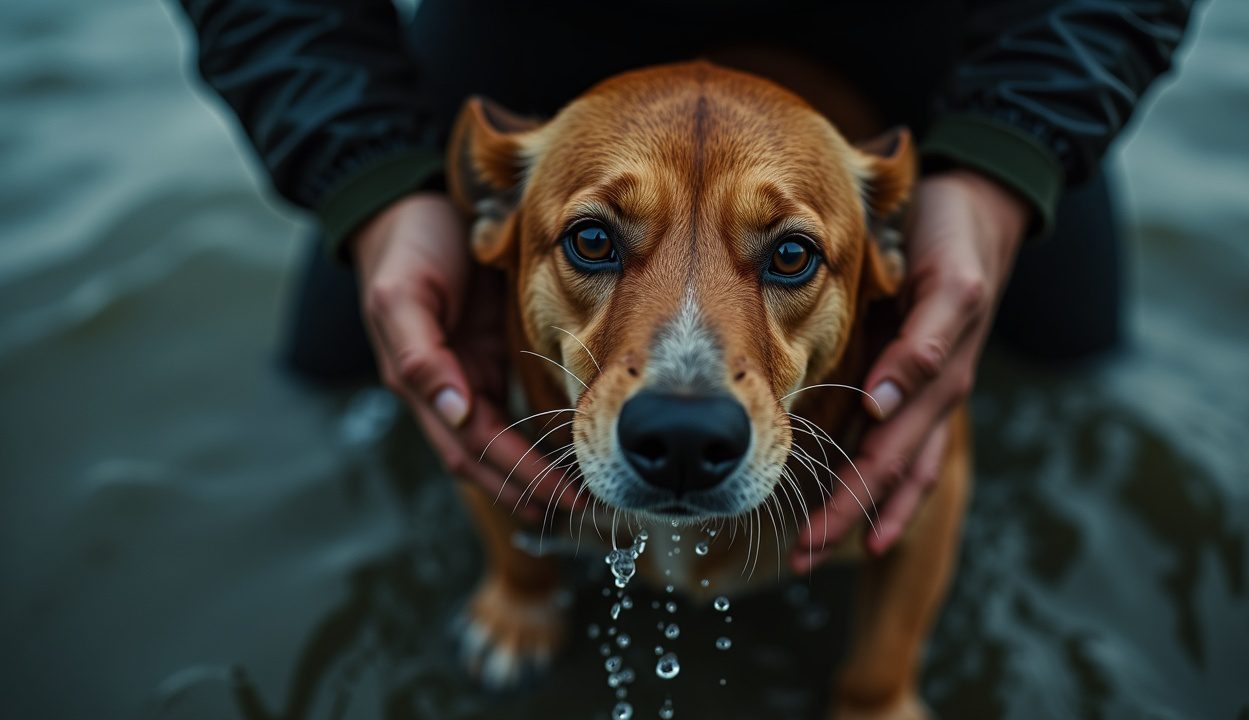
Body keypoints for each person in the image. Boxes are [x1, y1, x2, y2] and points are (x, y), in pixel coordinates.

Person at [178, 0, 1194, 571]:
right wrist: (376, 186)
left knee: (1072, 358)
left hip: (933, 30)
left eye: (789, 258)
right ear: (499, 210)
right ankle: (520, 587)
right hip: (532, 29)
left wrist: (1004, 166)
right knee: (344, 366)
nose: (683, 396)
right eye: (592, 243)